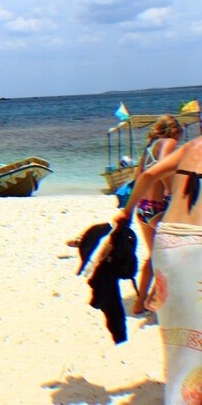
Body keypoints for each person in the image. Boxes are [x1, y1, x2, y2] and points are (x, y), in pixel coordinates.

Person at [98, 134, 202, 404]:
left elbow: (147, 175)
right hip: (197, 246)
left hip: (167, 243)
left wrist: (128, 211)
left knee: (180, 344)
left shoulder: (191, 146)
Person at [129, 115, 183, 314]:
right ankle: (154, 298)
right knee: (176, 253)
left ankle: (139, 302)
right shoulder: (168, 143)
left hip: (143, 209)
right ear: (174, 131)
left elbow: (137, 180)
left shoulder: (147, 150)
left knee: (154, 256)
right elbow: (164, 166)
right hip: (157, 208)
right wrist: (171, 190)